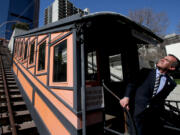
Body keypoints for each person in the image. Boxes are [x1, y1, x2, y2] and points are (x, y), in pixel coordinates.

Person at [120, 54, 180, 135]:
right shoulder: (145, 72)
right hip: (135, 111)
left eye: (167, 60)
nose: (162, 59)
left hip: (152, 117)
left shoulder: (171, 83)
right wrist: (126, 97)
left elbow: (161, 99)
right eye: (163, 58)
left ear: (171, 68)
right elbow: (132, 84)